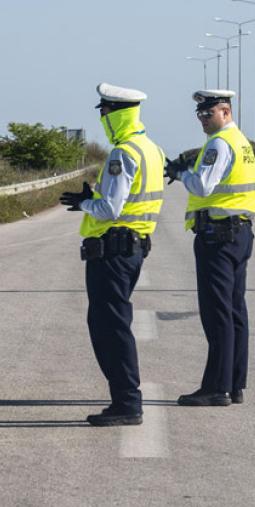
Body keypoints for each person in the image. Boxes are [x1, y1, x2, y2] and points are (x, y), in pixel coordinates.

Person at [60, 83, 165, 427]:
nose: (103, 119)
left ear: (116, 114)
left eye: (104, 112)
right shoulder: (151, 149)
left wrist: (83, 203)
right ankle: (125, 399)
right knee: (112, 324)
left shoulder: (123, 154)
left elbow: (109, 208)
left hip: (112, 252)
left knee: (110, 328)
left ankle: (127, 403)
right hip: (133, 248)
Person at [165, 90, 255, 407]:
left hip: (218, 235)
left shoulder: (219, 143)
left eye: (209, 114)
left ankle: (216, 388)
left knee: (217, 313)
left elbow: (202, 186)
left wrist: (181, 174)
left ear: (226, 112)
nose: (203, 120)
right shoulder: (241, 142)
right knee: (234, 312)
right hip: (239, 232)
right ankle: (234, 384)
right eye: (200, 115)